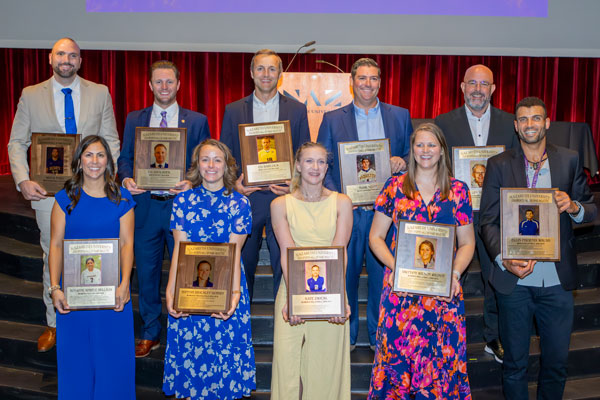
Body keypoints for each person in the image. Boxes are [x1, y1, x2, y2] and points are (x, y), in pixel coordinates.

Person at [7, 37, 120, 352]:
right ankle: (53, 324)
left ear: (80, 61)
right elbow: (17, 143)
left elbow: (110, 138)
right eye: (61, 54)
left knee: (94, 254)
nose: (66, 59)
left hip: (94, 191)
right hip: (47, 194)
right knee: (52, 254)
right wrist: (22, 180)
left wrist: (104, 177)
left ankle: (91, 315)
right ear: (50, 58)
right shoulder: (31, 95)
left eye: (73, 55)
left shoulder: (99, 92)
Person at [479, 97, 596, 399]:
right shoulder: (498, 164)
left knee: (556, 365)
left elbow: (592, 209)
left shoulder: (569, 159)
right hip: (514, 282)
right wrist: (504, 259)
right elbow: (488, 222)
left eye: (536, 118)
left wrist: (572, 206)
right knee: (515, 365)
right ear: (516, 127)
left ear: (546, 122)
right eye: (523, 119)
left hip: (556, 282)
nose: (530, 124)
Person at [368, 123, 475, 399]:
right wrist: (396, 267)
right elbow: (376, 238)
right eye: (419, 145)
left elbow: (467, 243)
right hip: (401, 294)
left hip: (443, 295)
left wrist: (454, 273)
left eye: (431, 145)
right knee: (396, 364)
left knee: (442, 366)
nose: (425, 150)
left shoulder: (459, 191)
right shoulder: (394, 187)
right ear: (412, 150)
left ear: (442, 150)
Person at [317, 57, 413, 350]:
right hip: (349, 212)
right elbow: (325, 165)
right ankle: (345, 336)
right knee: (345, 275)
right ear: (352, 82)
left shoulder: (400, 115)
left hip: (387, 214)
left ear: (380, 83)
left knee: (381, 279)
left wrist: (403, 163)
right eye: (362, 78)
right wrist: (340, 200)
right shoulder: (333, 119)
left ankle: (377, 337)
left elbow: (414, 155)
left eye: (373, 78)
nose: (367, 84)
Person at [117, 60, 210, 358]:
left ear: (179, 85)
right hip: (146, 207)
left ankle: (183, 333)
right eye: (159, 82)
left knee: (186, 272)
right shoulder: (135, 119)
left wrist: (191, 181)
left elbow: (204, 162)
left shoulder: (196, 121)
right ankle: (150, 333)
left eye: (170, 82)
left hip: (182, 208)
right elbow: (124, 159)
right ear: (150, 85)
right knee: (146, 273)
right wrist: (127, 178)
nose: (165, 87)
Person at [434, 64, 519, 362]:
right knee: (443, 273)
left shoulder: (511, 123)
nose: (478, 89)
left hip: (496, 214)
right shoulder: (443, 123)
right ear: (462, 87)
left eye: (484, 84)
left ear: (493, 89)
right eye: (472, 83)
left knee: (496, 276)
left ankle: (493, 336)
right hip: (455, 213)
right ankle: (439, 337)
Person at [163, 138, 255, 399]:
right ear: (197, 165)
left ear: (226, 166)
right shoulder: (182, 202)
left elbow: (235, 254)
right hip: (189, 289)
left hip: (228, 287)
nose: (211, 165)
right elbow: (179, 252)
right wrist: (171, 293)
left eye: (217, 159)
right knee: (192, 358)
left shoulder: (240, 204)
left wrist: (234, 296)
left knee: (224, 358)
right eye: (205, 159)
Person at [48, 135, 135, 399]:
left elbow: (126, 245)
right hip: (74, 300)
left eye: (100, 155)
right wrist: (54, 288)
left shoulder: (122, 199)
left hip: (113, 298)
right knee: (76, 366)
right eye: (88, 155)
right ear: (79, 160)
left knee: (114, 366)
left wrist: (124, 285)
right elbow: (55, 246)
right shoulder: (65, 199)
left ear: (108, 161)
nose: (94, 161)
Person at [220, 48, 310, 301]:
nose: (266, 74)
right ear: (251, 73)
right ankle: (240, 325)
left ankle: (284, 325)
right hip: (247, 197)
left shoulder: (297, 109)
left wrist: (294, 185)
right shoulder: (234, 110)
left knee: (285, 264)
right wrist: (234, 186)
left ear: (280, 74)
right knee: (243, 265)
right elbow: (225, 154)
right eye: (260, 68)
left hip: (283, 197)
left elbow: (304, 150)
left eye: (272, 69)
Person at [270, 142, 353, 399]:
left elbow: (340, 252)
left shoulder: (342, 202)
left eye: (320, 162)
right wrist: (295, 301)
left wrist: (338, 300)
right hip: (292, 289)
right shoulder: (279, 204)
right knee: (287, 364)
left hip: (331, 289)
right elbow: (287, 251)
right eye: (309, 161)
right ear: (297, 165)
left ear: (327, 167)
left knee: (325, 365)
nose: (315, 167)